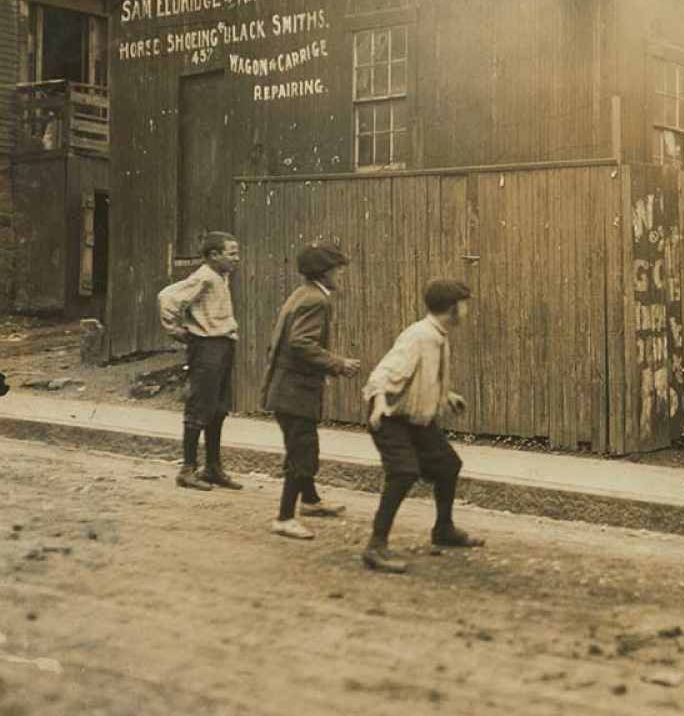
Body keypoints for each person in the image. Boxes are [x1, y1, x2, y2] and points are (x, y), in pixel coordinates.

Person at [361, 279, 481, 573]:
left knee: (448, 465)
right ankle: (375, 545)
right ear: (453, 308)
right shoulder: (419, 336)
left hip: (415, 419)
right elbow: (383, 374)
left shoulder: (437, 335)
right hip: (390, 416)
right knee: (403, 472)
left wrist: (444, 396)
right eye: (464, 304)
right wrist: (378, 405)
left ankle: (443, 529)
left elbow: (421, 376)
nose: (466, 310)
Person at [260, 241, 363, 540]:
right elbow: (301, 343)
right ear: (325, 271)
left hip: (287, 387)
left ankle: (311, 501)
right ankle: (284, 517)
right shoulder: (316, 300)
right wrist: (337, 363)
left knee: (301, 446)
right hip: (295, 391)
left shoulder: (302, 294)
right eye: (337, 269)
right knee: (302, 452)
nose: (340, 274)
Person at [157, 232, 243, 492]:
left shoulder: (220, 276)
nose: (236, 259)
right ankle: (187, 469)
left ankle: (213, 468)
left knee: (218, 408)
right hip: (207, 348)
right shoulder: (204, 276)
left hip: (223, 345)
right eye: (232, 253)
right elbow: (167, 297)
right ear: (214, 255)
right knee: (200, 406)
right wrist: (175, 330)